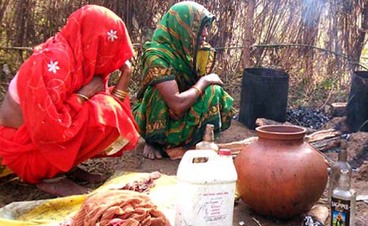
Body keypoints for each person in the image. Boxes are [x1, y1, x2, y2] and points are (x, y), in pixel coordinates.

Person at [0, 5, 140, 196]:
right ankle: (49, 177)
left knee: (104, 109)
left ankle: (64, 166)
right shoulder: (54, 62)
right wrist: (84, 95)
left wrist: (126, 73)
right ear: (95, 39)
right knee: (104, 113)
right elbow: (48, 128)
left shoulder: (77, 55)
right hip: (22, 149)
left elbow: (111, 102)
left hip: (37, 139)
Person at [132, 1, 234, 160]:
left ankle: (195, 143)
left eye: (206, 28)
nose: (205, 34)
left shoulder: (191, 50)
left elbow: (194, 92)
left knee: (215, 92)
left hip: (183, 106)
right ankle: (156, 141)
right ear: (182, 28)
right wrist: (204, 81)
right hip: (164, 113)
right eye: (200, 29)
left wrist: (204, 79)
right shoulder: (156, 55)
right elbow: (177, 104)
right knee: (157, 93)